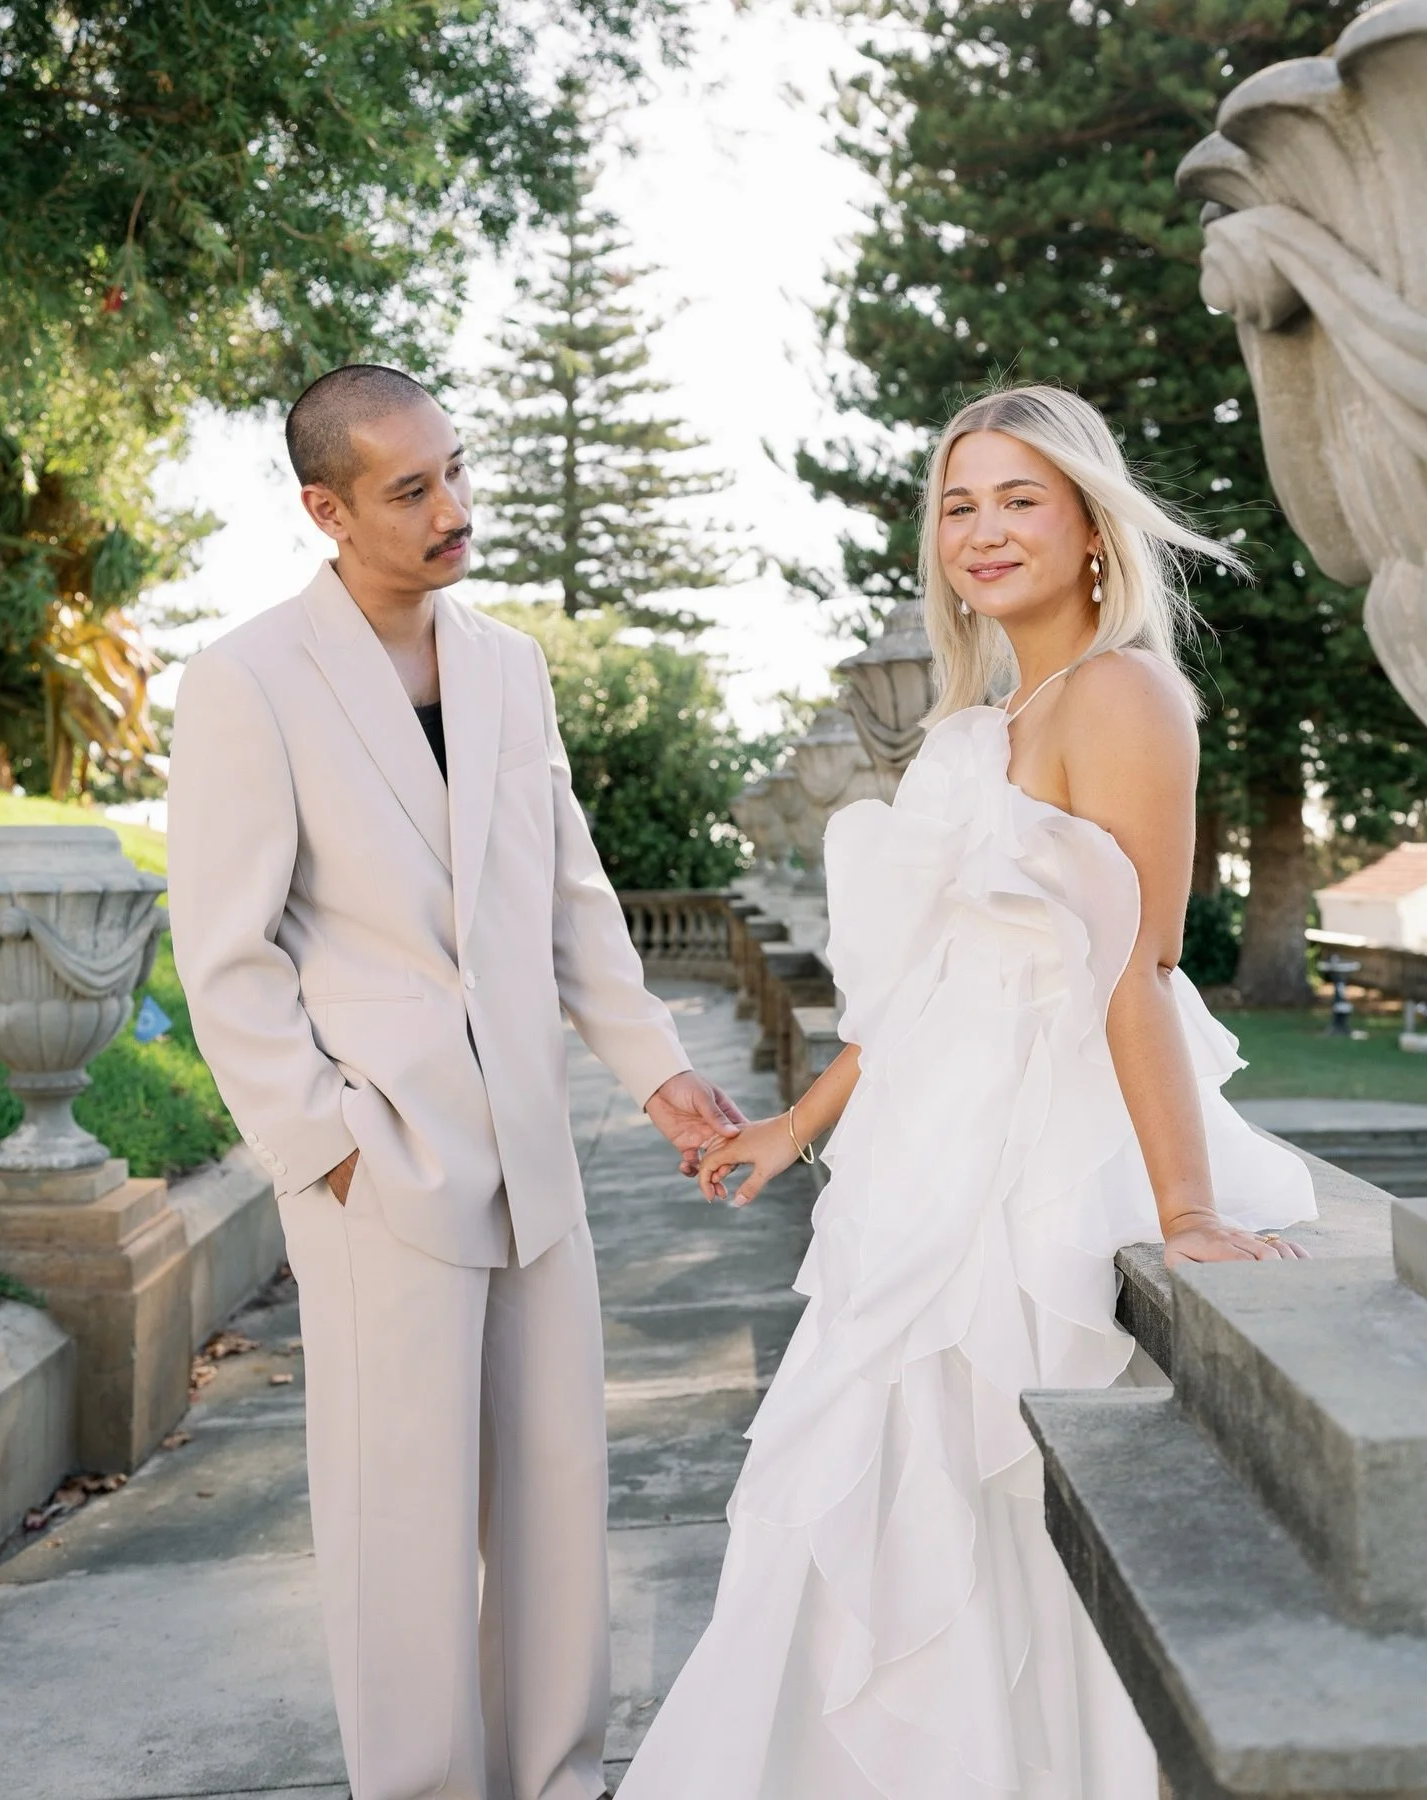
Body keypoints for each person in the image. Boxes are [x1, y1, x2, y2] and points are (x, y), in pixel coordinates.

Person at [616, 384, 1316, 1800]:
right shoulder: (981, 722)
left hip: (1032, 1169)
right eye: (957, 505)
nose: (982, 531)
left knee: (985, 1501)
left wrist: (1181, 1205)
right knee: (861, 1498)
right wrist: (796, 1126)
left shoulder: (1124, 694)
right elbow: (922, 986)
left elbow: (1142, 970)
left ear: (1090, 525)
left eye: (1018, 499)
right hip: (918, 1172)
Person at [167, 364, 744, 1800]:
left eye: (457, 474)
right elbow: (224, 955)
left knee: (557, 1498)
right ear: (327, 507)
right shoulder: (244, 680)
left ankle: (554, 1777)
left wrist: (660, 1076)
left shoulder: (506, 665)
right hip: (380, 1164)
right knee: (400, 1521)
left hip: (536, 1156)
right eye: (411, 489)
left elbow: (567, 899)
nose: (454, 511)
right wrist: (327, 1147)